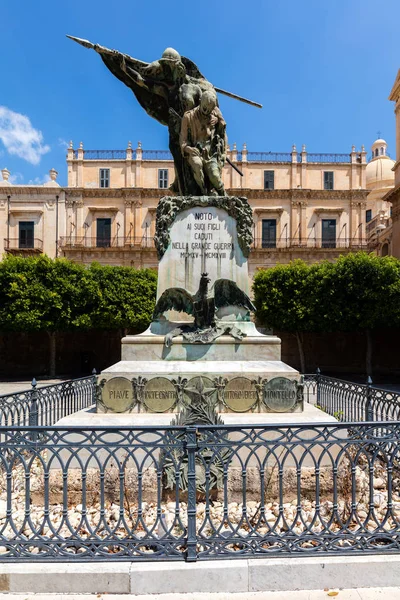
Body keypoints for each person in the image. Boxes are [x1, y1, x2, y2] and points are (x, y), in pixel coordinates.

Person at [180, 90, 227, 196]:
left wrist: (218, 122)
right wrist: (189, 149)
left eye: (209, 110)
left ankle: (223, 195)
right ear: (200, 101)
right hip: (195, 151)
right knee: (197, 164)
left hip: (211, 153)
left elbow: (223, 132)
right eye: (205, 108)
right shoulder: (188, 117)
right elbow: (182, 141)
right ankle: (203, 192)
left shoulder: (215, 113)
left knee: (215, 176)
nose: (206, 112)